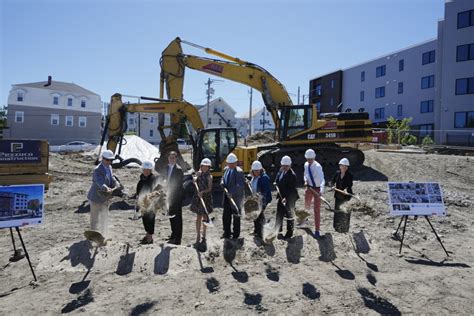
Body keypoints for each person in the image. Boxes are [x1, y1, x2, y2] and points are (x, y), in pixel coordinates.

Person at [86, 150, 117, 243]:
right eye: (107, 160)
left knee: (104, 218)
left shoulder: (109, 167)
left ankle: (104, 236)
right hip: (96, 198)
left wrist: (116, 183)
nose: (109, 162)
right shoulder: (97, 170)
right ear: (102, 159)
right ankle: (93, 238)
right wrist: (106, 188)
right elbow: (99, 181)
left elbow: (112, 178)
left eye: (111, 160)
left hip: (105, 198)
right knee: (94, 219)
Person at [274, 156, 299, 239]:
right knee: (279, 213)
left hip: (290, 197)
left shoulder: (292, 175)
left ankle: (289, 232)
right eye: (283, 166)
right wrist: (275, 182)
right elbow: (278, 177)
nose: (285, 167)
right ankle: (278, 229)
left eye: (286, 166)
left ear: (290, 165)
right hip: (281, 196)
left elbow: (291, 189)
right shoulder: (281, 170)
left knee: (289, 214)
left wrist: (286, 198)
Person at [221, 153, 244, 239]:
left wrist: (231, 192)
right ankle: (227, 233)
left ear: (236, 163)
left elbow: (240, 185)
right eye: (229, 163)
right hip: (227, 197)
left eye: (232, 163)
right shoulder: (226, 169)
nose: (230, 165)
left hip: (236, 198)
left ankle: (235, 235)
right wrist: (222, 182)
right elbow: (223, 178)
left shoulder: (239, 172)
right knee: (226, 216)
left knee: (236, 216)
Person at [191, 158, 213, 245]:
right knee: (198, 217)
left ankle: (204, 235)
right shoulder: (198, 173)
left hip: (205, 198)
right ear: (201, 166)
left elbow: (210, 188)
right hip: (198, 198)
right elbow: (194, 181)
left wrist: (203, 192)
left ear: (209, 167)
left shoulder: (209, 176)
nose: (205, 168)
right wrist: (194, 179)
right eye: (203, 166)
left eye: (206, 166)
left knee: (205, 217)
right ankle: (198, 236)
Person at [303, 149, 325, 238]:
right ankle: (304, 222)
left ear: (314, 158)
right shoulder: (306, 164)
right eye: (308, 159)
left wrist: (321, 191)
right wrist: (305, 180)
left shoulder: (318, 167)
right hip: (309, 187)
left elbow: (323, 180)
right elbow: (305, 174)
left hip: (317, 189)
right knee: (306, 206)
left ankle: (317, 230)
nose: (309, 161)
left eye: (311, 159)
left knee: (316, 210)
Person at [136, 161, 159, 244]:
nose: (146, 171)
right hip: (143, 203)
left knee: (150, 220)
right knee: (144, 220)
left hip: (151, 203)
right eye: (144, 169)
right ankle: (147, 235)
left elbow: (157, 191)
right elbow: (138, 190)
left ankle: (149, 238)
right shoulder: (142, 178)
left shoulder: (153, 179)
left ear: (150, 170)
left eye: (148, 170)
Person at [248, 160, 272, 238]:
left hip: (262, 200)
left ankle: (261, 232)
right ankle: (257, 230)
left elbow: (265, 191)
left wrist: (260, 199)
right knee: (256, 215)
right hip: (255, 199)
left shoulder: (264, 178)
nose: (256, 172)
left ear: (261, 169)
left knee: (259, 215)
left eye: (258, 170)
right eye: (255, 171)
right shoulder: (254, 177)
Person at [166, 151, 184, 245]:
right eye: (170, 157)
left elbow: (178, 185)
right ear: (168, 158)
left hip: (176, 197)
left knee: (177, 218)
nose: (172, 159)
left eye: (173, 158)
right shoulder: (168, 167)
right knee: (171, 216)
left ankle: (178, 239)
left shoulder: (178, 169)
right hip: (169, 196)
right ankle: (173, 235)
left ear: (176, 159)